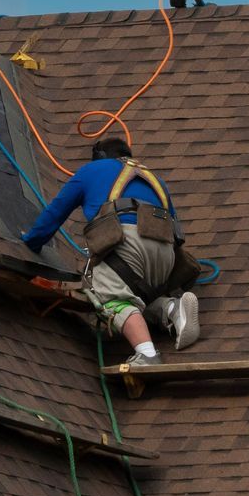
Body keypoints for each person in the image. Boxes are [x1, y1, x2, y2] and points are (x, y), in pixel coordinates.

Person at [21, 136, 199, 368]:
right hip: (165, 254)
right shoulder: (154, 178)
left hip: (126, 244)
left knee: (108, 296)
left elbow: (54, 214)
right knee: (139, 301)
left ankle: (147, 354)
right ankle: (172, 309)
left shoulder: (92, 170)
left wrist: (30, 241)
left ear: (100, 156)